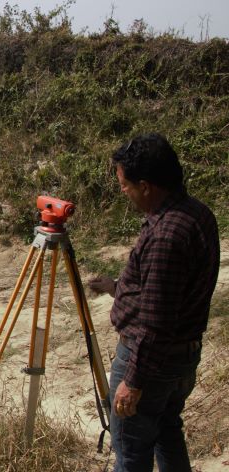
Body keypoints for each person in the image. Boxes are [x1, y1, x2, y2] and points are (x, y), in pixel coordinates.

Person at [88, 133, 219, 472]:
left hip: (150, 363)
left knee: (131, 452)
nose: (122, 191)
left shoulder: (165, 236)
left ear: (145, 186)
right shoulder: (196, 213)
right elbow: (170, 292)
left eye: (124, 184)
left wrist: (133, 382)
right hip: (180, 359)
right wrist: (118, 287)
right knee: (166, 431)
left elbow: (157, 321)